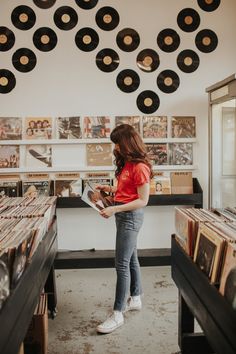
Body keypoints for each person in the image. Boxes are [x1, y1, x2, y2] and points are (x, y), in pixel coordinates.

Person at [95, 124, 153, 334]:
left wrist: (115, 209)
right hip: (122, 215)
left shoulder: (140, 167)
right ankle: (136, 297)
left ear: (127, 142)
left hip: (130, 217)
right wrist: (109, 189)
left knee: (121, 264)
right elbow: (125, 190)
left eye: (117, 143)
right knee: (131, 258)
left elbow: (143, 200)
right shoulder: (127, 164)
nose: (116, 148)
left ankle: (118, 313)